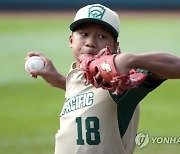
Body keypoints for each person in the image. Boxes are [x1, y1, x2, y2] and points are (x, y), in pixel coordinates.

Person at [26, 4, 180, 154]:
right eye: (84, 34)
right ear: (71, 40)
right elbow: (90, 97)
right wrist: (56, 79)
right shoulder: (76, 74)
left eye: (102, 36)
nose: (91, 42)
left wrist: (132, 60)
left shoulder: (118, 82)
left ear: (115, 47)